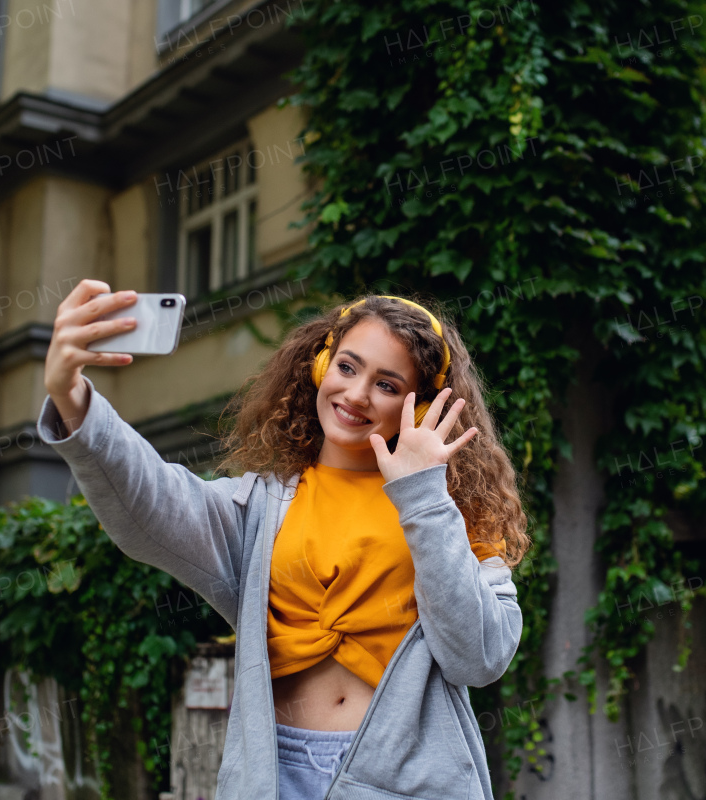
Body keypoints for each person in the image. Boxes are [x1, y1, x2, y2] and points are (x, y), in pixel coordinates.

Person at [37, 280, 531, 800]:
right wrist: (72, 398)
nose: (357, 394)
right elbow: (152, 500)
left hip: (408, 781)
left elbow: (480, 658)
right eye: (347, 366)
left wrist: (423, 495)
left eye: (387, 385)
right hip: (275, 777)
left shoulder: (453, 513)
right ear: (320, 367)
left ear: (421, 404)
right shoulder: (260, 509)